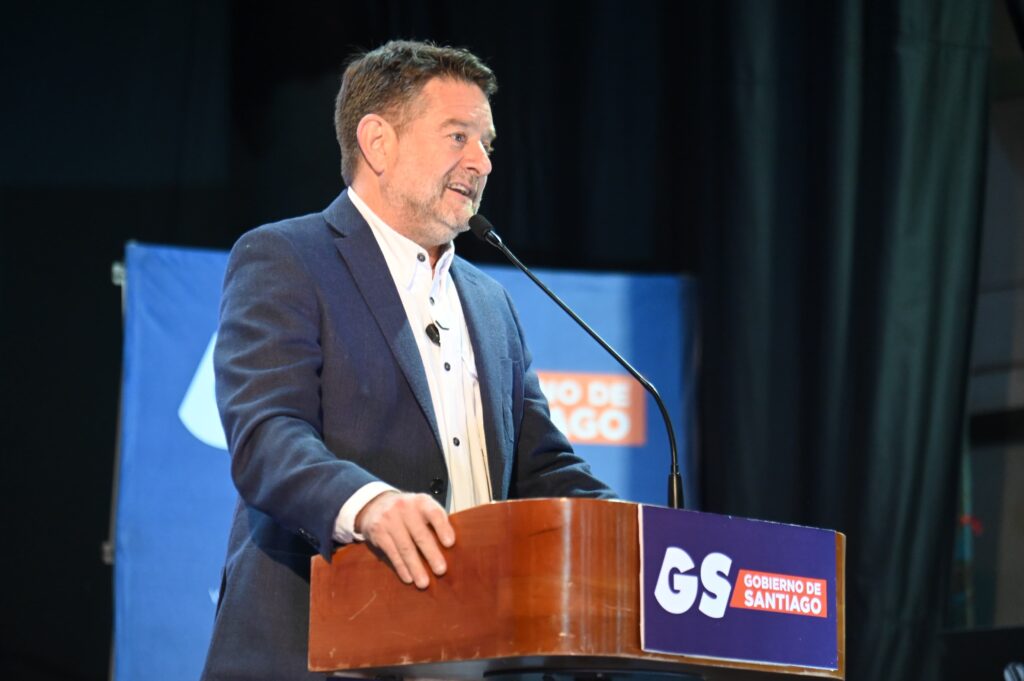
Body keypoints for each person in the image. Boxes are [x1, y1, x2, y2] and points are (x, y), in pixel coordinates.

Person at [200, 40, 614, 680]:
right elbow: (267, 435)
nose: (482, 162)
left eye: (487, 145)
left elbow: (543, 467)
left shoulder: (491, 302)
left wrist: (635, 537)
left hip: (475, 654)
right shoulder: (287, 258)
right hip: (321, 651)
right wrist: (370, 505)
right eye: (458, 137)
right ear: (378, 142)